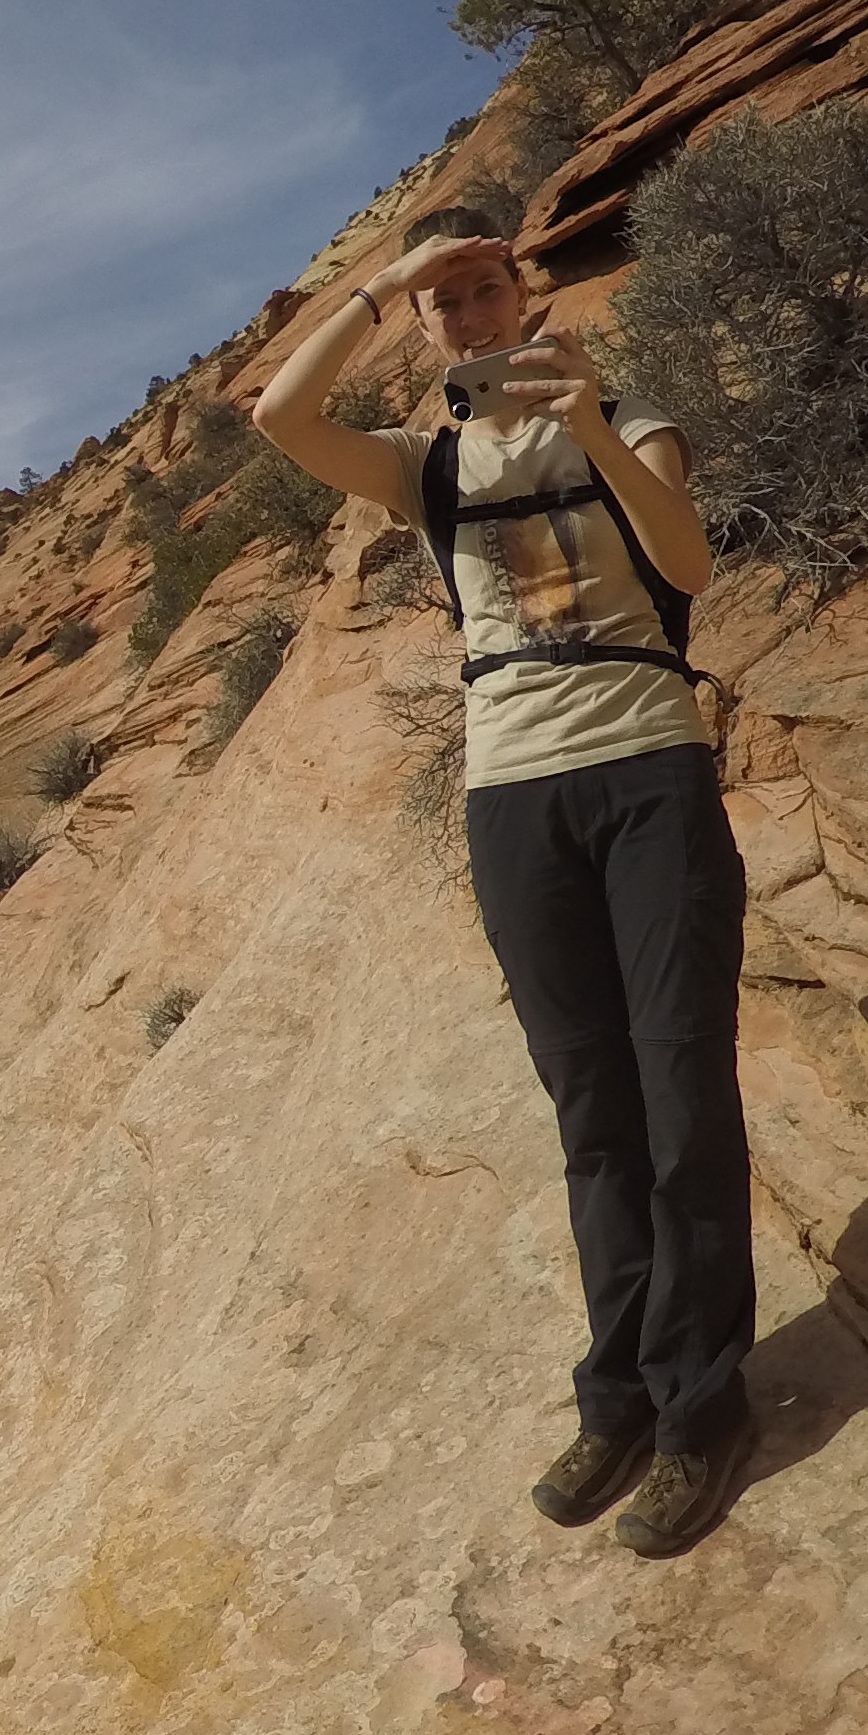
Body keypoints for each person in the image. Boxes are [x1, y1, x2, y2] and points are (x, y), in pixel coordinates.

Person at [253, 205, 758, 1556]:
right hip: (512, 795)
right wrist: (377, 286)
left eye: (487, 288)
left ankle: (702, 1409)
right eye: (448, 303)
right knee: (593, 1110)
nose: (472, 316)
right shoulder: (421, 463)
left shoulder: (630, 412)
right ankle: (620, 1397)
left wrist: (589, 421)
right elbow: (279, 423)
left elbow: (688, 563)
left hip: (647, 766)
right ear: (427, 326)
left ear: (525, 293)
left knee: (680, 1091)